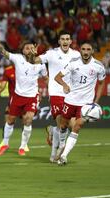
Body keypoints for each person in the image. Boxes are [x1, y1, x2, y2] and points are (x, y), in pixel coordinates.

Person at [0, 28, 48, 156]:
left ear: (35, 49)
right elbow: (3, 52)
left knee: (28, 119)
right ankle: (5, 143)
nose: (29, 50)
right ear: (22, 50)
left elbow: (46, 78)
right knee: (10, 119)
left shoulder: (40, 63)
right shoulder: (17, 58)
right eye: (26, 48)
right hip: (17, 96)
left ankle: (23, 146)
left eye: (31, 48)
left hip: (32, 96)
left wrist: (53, 89)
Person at [32, 30, 81, 162]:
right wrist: (33, 54)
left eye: (67, 39)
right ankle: (55, 155)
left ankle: (53, 132)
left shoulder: (77, 55)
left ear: (71, 41)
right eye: (63, 39)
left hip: (71, 94)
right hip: (56, 92)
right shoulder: (52, 53)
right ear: (59, 41)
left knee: (72, 125)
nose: (65, 41)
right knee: (62, 124)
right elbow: (35, 60)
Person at [54, 42, 106, 166]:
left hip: (86, 104)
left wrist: (96, 101)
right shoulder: (73, 62)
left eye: (88, 49)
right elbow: (57, 77)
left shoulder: (99, 66)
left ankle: (64, 156)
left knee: (77, 126)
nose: (86, 51)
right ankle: (61, 145)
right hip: (71, 100)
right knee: (63, 125)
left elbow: (102, 83)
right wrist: (65, 85)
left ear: (92, 51)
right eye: (83, 49)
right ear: (80, 51)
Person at [0, 64, 30, 153]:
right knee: (8, 118)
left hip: (26, 98)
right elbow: (3, 84)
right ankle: (4, 142)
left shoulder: (27, 67)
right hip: (13, 99)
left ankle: (24, 144)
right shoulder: (8, 70)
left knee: (25, 120)